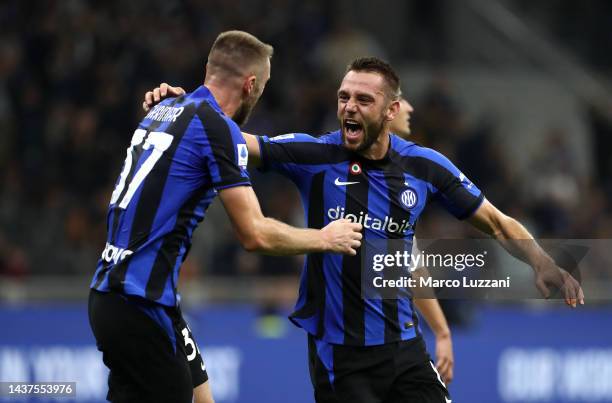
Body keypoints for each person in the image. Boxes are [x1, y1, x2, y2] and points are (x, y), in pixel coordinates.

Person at [144, 57, 583, 403]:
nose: (349, 107)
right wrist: (182, 107)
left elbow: (496, 222)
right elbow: (235, 142)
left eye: (362, 100)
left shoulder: (423, 166)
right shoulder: (313, 155)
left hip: (405, 349)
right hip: (340, 360)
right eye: (343, 97)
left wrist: (542, 261)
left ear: (391, 111)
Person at [89, 30, 362, 403]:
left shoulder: (163, 110)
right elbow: (255, 234)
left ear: (208, 69)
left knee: (203, 398)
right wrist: (325, 238)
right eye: (263, 88)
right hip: (139, 303)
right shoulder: (217, 128)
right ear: (251, 85)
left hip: (130, 297)